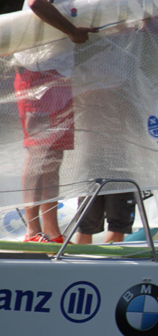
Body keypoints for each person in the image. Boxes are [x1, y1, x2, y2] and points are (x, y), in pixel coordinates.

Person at [14, 0, 98, 243]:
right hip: (37, 76)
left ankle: (52, 232)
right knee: (38, 151)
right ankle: (32, 231)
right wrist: (72, 31)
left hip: (59, 77)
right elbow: (36, 3)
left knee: (54, 156)